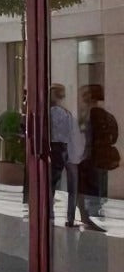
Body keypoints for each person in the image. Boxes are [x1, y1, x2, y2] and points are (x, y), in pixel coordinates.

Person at [50, 83, 98, 230]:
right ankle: (70, 218)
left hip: (55, 149)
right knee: (72, 187)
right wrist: (75, 156)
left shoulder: (50, 113)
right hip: (66, 149)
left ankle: (50, 215)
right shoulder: (66, 114)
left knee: (52, 185)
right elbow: (72, 135)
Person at [80, 83, 118, 220]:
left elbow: (85, 139)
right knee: (99, 187)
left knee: (91, 188)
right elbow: (114, 136)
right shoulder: (107, 115)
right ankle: (96, 213)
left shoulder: (89, 115)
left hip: (91, 158)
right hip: (102, 158)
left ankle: (92, 215)